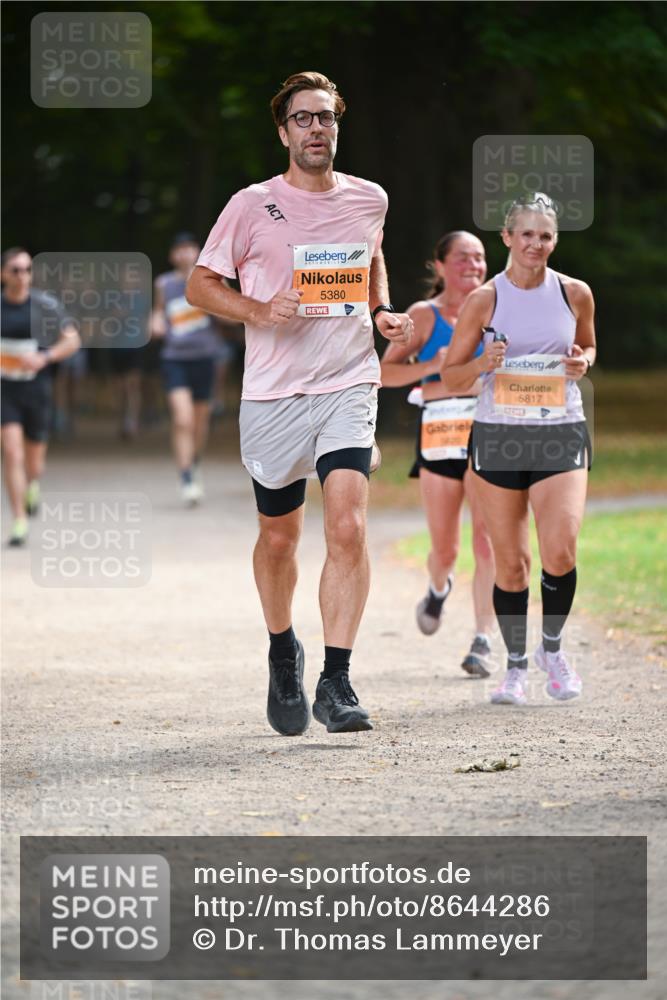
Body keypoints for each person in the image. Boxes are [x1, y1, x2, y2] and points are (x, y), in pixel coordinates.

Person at [186, 71, 412, 734]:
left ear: (337, 126)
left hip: (347, 381)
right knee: (278, 537)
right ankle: (282, 649)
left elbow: (370, 256)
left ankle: (336, 681)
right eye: (303, 119)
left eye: (326, 117)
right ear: (283, 133)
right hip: (273, 393)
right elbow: (201, 284)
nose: (317, 129)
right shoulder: (251, 205)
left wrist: (380, 309)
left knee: (346, 528)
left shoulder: (369, 198)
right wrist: (258, 309)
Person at [441, 194, 596, 705]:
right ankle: (514, 667)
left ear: (555, 240)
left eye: (545, 235)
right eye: (526, 234)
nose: (536, 244)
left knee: (561, 550)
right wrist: (483, 363)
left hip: (560, 431)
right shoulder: (484, 299)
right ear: (507, 237)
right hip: (499, 437)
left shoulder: (575, 293)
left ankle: (552, 650)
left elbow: (589, 346)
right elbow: (450, 375)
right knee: (511, 564)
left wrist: (583, 362)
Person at [380, 232, 495, 676]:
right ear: (441, 265)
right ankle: (438, 587)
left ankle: (483, 640)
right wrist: (435, 367)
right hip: (440, 436)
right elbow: (384, 373)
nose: (473, 265)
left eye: (479, 258)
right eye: (462, 257)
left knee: (486, 540)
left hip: (489, 434)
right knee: (445, 549)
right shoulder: (423, 316)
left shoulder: (498, 309)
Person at [1, 247, 80, 545]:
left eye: (27, 270)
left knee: (34, 464)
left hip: (36, 390)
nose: (22, 276)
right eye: (15, 270)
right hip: (5, 391)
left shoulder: (45, 305)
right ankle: (19, 520)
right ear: (3, 274)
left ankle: (32, 485)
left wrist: (45, 357)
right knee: (12, 453)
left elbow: (72, 340)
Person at [151, 232, 233, 506]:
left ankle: (193, 462)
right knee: (182, 419)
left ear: (198, 252)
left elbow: (233, 314)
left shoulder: (213, 280)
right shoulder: (163, 283)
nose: (185, 253)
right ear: (172, 255)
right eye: (180, 249)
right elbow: (159, 311)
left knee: (199, 421)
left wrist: (213, 304)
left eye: (190, 248)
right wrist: (156, 322)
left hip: (205, 358)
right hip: (175, 358)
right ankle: (186, 475)